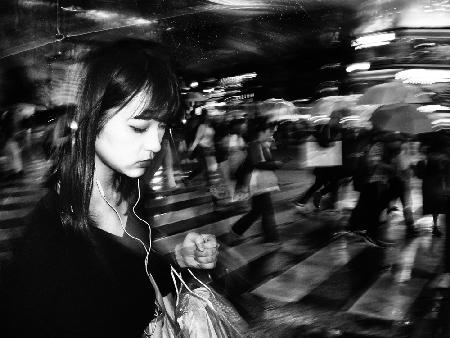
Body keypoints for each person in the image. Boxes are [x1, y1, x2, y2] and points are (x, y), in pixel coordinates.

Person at [0, 39, 219, 338]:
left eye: (163, 126)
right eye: (139, 127)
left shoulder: (131, 192)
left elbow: (135, 273)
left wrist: (178, 260)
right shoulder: (51, 236)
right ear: (93, 116)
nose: (156, 144)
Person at [223, 117, 280, 246]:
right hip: (257, 183)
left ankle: (236, 230)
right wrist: (275, 164)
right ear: (263, 131)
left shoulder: (262, 144)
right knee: (267, 210)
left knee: (256, 211)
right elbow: (257, 164)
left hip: (262, 182)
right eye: (270, 131)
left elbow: (265, 161)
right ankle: (271, 238)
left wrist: (270, 149)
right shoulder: (255, 144)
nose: (271, 134)